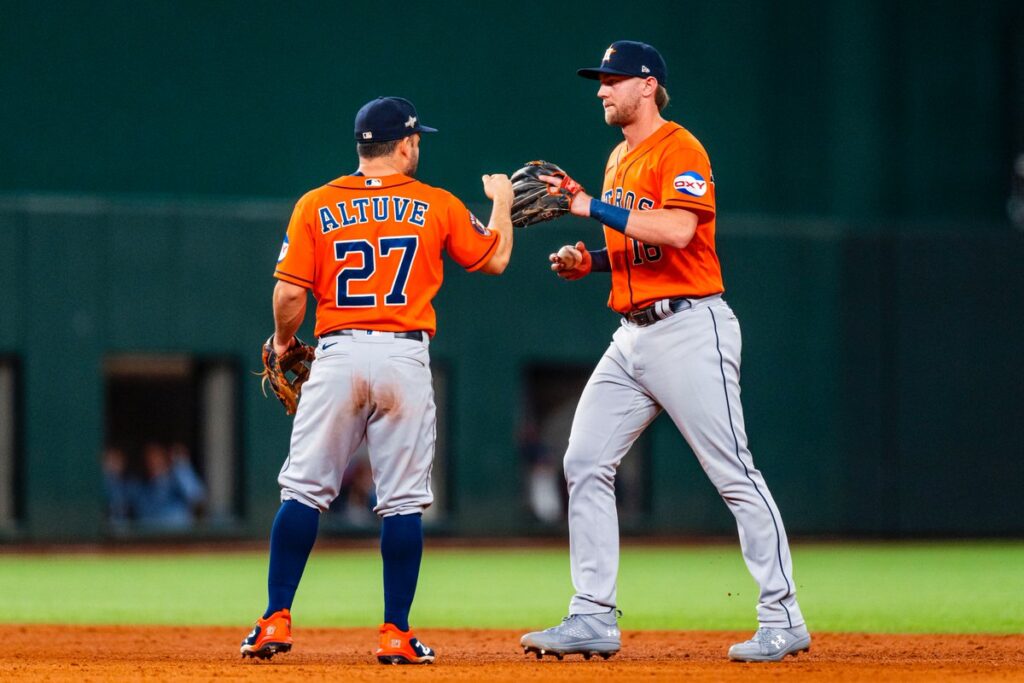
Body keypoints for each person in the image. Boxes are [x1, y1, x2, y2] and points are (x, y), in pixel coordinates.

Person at [519, 41, 810, 663]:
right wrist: (589, 261)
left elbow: (679, 230)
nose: (602, 90)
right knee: (584, 460)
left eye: (613, 80)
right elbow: (643, 247)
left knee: (733, 473)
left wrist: (584, 207)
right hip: (632, 335)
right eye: (600, 81)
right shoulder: (617, 160)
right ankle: (593, 616)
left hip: (689, 327)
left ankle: (783, 617)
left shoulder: (680, 148)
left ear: (647, 86)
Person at [240, 96, 514, 664]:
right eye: (419, 139)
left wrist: (284, 343)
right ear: (407, 143)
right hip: (403, 359)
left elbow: (290, 293)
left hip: (337, 355)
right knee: (403, 503)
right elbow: (494, 259)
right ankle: (395, 633)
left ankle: (274, 621)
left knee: (304, 491)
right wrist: (503, 204)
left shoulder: (316, 203)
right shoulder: (436, 203)